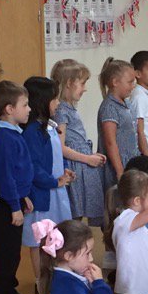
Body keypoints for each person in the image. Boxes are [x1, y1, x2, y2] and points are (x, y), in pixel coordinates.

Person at [0, 80, 36, 294]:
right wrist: (14, 206)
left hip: (14, 200)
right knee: (6, 252)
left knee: (13, 252)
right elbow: (5, 177)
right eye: (25, 105)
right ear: (9, 109)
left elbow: (18, 173)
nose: (29, 109)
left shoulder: (13, 134)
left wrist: (23, 197)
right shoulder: (5, 138)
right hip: (5, 205)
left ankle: (9, 291)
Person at [20, 77, 74, 290]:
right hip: (42, 194)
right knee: (39, 240)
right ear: (42, 101)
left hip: (55, 191)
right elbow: (33, 166)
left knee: (56, 234)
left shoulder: (47, 126)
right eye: (54, 99)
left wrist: (63, 172)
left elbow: (51, 158)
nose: (58, 103)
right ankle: (40, 281)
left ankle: (55, 276)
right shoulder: (33, 131)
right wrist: (54, 180)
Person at [52, 59, 107, 227]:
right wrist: (87, 158)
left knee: (78, 218)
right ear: (69, 83)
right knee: (72, 219)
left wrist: (91, 155)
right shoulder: (61, 110)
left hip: (81, 164)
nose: (85, 88)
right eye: (82, 83)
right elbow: (60, 147)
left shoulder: (69, 108)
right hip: (74, 167)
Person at [97, 57, 140, 191]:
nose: (133, 86)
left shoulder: (126, 103)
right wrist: (119, 171)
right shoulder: (109, 107)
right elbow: (110, 142)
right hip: (117, 165)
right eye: (130, 82)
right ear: (115, 82)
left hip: (130, 162)